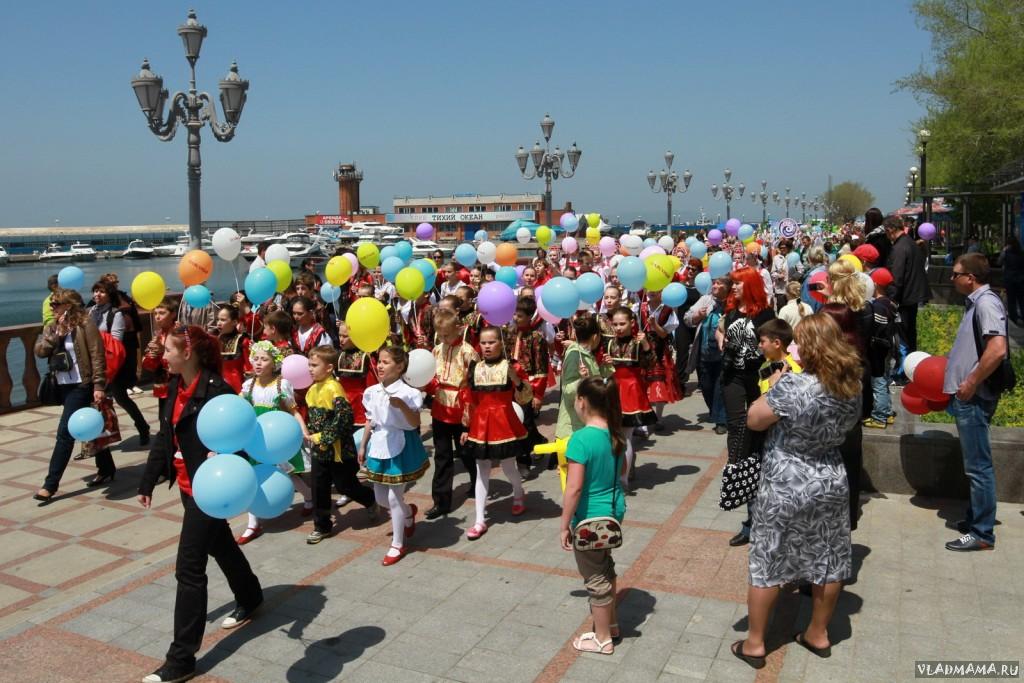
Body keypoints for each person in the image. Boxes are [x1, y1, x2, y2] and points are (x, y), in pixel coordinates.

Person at [731, 314, 862, 669]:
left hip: (786, 478)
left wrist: (775, 384)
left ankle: (755, 642)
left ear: (813, 347)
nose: (792, 347)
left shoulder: (794, 385)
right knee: (829, 559)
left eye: (798, 341)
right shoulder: (852, 385)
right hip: (831, 476)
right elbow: (850, 427)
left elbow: (755, 419)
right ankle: (818, 633)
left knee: (768, 557)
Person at [137, 325, 263, 683]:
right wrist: (148, 480)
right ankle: (250, 595)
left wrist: (223, 458)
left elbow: (237, 438)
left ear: (187, 353)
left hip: (210, 490)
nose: (164, 356)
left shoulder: (218, 393)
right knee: (219, 544)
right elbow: (166, 435)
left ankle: (181, 659)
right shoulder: (176, 385)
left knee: (189, 569)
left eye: (168, 351)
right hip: (187, 484)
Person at [942, 254, 1010, 551]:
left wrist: (970, 382)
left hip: (974, 397)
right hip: (968, 396)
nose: (952, 279)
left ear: (970, 277)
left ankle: (982, 533)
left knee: (978, 466)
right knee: (975, 465)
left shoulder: (986, 303)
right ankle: (975, 520)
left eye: (955, 274)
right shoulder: (977, 302)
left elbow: (997, 350)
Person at [560, 376, 627, 655]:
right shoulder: (614, 434)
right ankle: (610, 623)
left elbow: (574, 488)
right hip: (613, 513)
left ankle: (601, 638)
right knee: (605, 566)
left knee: (594, 577)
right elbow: (621, 472)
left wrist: (564, 524)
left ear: (583, 402)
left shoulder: (580, 439)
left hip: (589, 520)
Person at [33, 289, 110, 503]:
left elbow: (97, 355)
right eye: (51, 304)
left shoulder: (86, 324)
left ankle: (50, 485)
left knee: (65, 434)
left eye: (56, 303)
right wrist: (54, 334)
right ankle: (107, 467)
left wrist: (99, 384)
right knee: (90, 427)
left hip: (81, 384)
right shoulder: (52, 326)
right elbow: (40, 351)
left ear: (68, 305)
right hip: (62, 385)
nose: (52, 307)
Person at [236, 341, 313, 545]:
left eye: (264, 359)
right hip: (255, 438)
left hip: (275, 437)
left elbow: (293, 410)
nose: (258, 363)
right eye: (256, 358)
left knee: (287, 473)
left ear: (274, 363)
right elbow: (237, 407)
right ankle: (253, 523)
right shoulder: (248, 385)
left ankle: (309, 496)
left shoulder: (281, 384)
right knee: (254, 475)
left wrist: (304, 430)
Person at [358, 346, 429, 565]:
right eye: (379, 361)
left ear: (400, 367)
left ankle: (397, 544)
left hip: (401, 444)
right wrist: (363, 445)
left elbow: (415, 423)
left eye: (386, 362)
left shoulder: (410, 393)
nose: (380, 365)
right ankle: (408, 513)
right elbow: (370, 420)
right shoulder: (372, 391)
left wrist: (401, 406)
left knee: (393, 497)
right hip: (379, 444)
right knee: (380, 498)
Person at [460, 327, 533, 540]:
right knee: (481, 468)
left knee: (508, 465)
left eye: (491, 342)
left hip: (504, 422)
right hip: (481, 424)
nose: (487, 346)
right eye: (483, 343)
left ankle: (518, 492)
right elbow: (470, 400)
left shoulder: (511, 366)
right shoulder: (474, 368)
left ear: (501, 343)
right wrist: (466, 426)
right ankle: (479, 520)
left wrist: (516, 379)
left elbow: (526, 398)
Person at [305, 345, 378, 544]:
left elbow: (344, 419)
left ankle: (369, 499)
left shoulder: (334, 389)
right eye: (309, 365)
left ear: (329, 368)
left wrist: (323, 437)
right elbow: (312, 418)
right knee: (319, 487)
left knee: (346, 485)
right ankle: (322, 526)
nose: (310, 369)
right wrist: (311, 435)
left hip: (339, 451)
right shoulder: (312, 390)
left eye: (314, 365)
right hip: (320, 451)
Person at [425, 309, 479, 518]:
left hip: (461, 409)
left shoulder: (468, 352)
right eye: (441, 335)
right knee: (442, 456)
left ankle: (476, 481)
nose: (444, 338)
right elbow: (430, 374)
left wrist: (468, 414)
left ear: (458, 329)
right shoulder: (437, 350)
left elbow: (473, 384)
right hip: (440, 408)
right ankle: (441, 501)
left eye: (448, 334)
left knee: (466, 452)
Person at [90, 279, 150, 446]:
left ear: (109, 295)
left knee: (120, 397)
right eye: (95, 291)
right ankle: (101, 436)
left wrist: (97, 341)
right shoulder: (91, 312)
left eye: (101, 291)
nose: (97, 294)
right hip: (96, 362)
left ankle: (142, 426)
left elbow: (116, 341)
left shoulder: (115, 314)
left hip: (112, 363)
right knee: (99, 400)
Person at [604, 307, 656, 487]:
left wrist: (646, 344)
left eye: (622, 324)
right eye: (615, 324)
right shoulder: (609, 343)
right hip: (612, 390)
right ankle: (621, 469)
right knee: (612, 436)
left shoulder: (637, 343)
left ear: (632, 323)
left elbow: (650, 364)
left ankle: (623, 480)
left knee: (625, 437)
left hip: (631, 391)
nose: (618, 328)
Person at [684, 275, 731, 434]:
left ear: (727, 287)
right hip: (704, 353)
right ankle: (715, 411)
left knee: (720, 387)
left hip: (723, 355)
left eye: (719, 283)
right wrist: (697, 315)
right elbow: (687, 319)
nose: (715, 286)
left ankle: (721, 420)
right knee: (706, 386)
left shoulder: (732, 303)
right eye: (714, 283)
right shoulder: (705, 300)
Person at [884, 215, 931, 353]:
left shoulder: (899, 248)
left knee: (903, 334)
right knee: (910, 332)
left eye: (886, 232)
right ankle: (911, 360)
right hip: (913, 294)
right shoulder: (909, 242)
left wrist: (891, 299)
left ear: (891, 230)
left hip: (905, 297)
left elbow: (897, 276)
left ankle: (905, 366)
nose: (887, 236)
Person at [141, 298, 178, 416]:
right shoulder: (159, 333)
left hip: (177, 382)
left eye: (162, 313)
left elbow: (185, 356)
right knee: (163, 416)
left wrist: (163, 351)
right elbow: (149, 365)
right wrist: (151, 355)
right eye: (155, 313)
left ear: (173, 314)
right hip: (162, 382)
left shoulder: (180, 332)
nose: (157, 317)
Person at [214, 305, 250, 394]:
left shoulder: (243, 341)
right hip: (217, 386)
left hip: (238, 389)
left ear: (234, 322)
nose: (218, 323)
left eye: (223, 320)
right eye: (218, 319)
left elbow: (250, 368)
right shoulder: (215, 340)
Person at [998, 235, 1024, 325]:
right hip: (1020, 279)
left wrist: (1003, 251)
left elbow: (999, 262)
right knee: (1021, 299)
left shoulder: (1006, 253)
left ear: (1008, 244)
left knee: (1011, 300)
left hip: (1010, 279)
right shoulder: (1021, 253)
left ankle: (1014, 318)